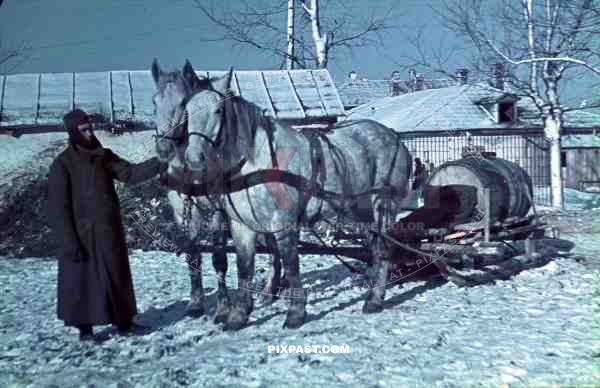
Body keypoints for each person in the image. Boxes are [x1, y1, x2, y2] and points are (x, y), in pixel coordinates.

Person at [47, 109, 168, 341]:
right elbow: (58, 209)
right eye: (83, 130)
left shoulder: (104, 156)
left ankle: (125, 322)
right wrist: (69, 241)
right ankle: (85, 330)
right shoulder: (62, 165)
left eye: (90, 127)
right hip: (81, 236)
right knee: (83, 283)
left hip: (108, 232)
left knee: (117, 276)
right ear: (73, 133)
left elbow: (131, 174)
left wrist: (159, 163)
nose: (90, 132)